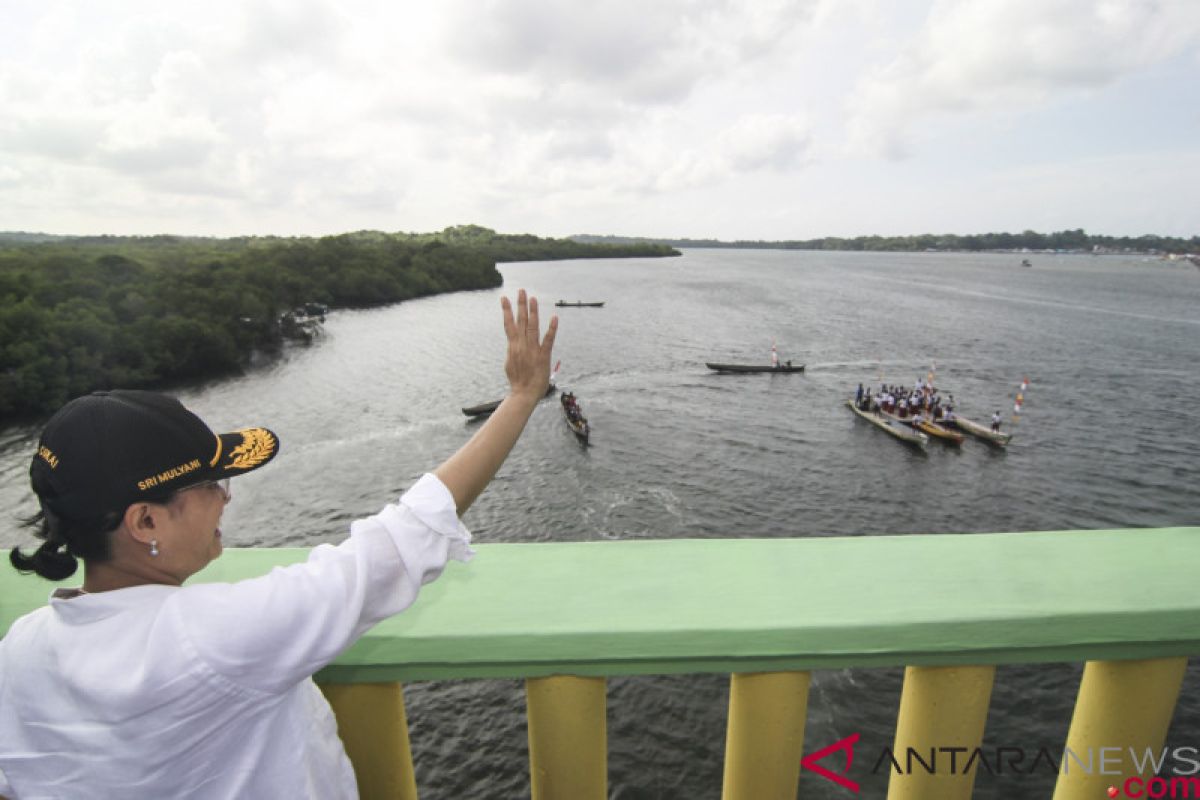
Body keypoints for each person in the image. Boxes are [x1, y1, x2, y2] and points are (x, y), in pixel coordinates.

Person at [0, 290, 558, 799]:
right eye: (211, 485)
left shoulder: (20, 650)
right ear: (145, 522)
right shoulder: (214, 638)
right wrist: (521, 396)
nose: (226, 498)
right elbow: (404, 538)